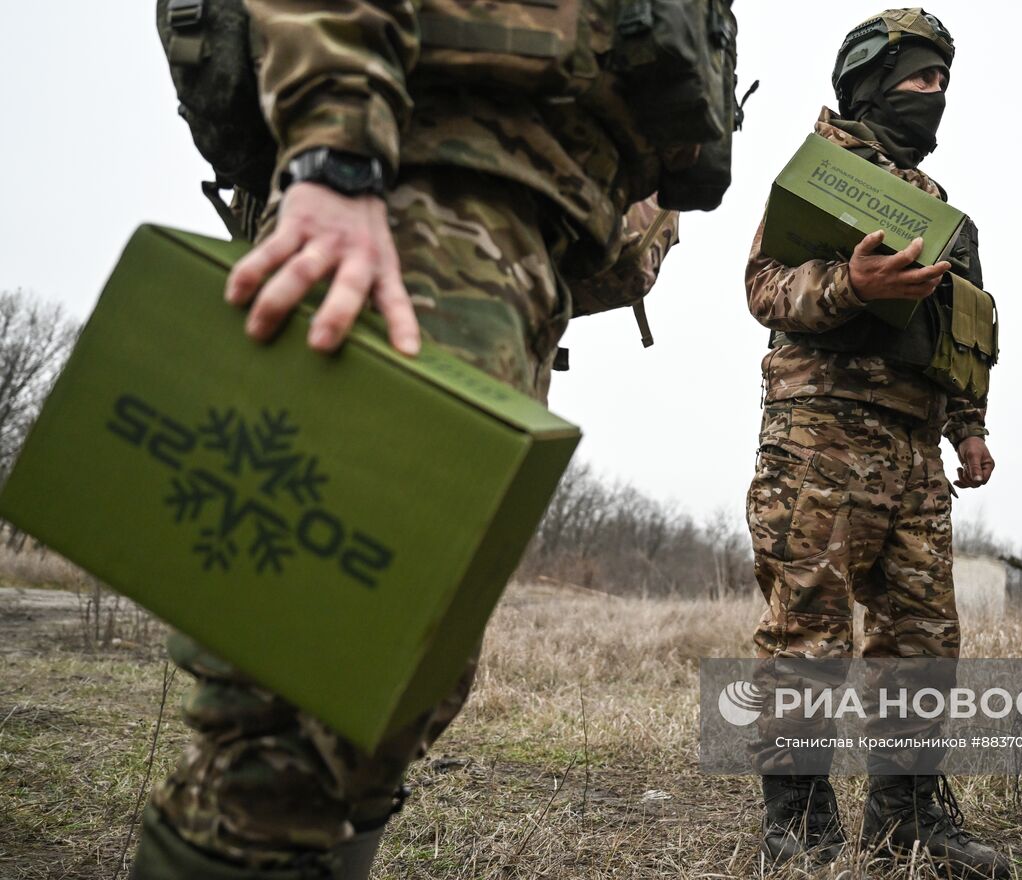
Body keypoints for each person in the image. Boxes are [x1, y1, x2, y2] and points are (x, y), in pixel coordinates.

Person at [131, 2, 705, 878]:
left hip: (514, 245)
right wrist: (334, 149)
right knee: (300, 703)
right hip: (404, 188)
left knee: (406, 688)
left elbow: (613, 264)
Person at [743, 9, 1006, 877]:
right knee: (809, 633)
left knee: (926, 641)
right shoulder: (823, 173)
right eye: (919, 79)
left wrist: (969, 429)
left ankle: (910, 822)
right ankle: (800, 824)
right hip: (818, 433)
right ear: (868, 81)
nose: (933, 96)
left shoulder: (936, 208)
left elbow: (959, 331)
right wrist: (850, 282)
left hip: (915, 448)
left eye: (941, 83)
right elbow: (765, 287)